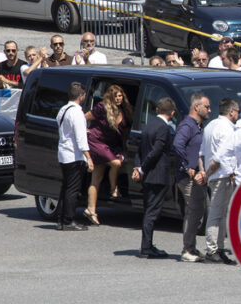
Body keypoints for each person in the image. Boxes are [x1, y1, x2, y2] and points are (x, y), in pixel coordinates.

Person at [132, 97, 176, 259]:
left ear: (157, 110)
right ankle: (146, 247)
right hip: (157, 174)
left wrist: (138, 166)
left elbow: (139, 148)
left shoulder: (149, 124)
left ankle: (148, 244)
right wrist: (142, 169)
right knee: (152, 211)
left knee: (148, 209)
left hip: (148, 175)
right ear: (172, 113)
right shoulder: (164, 128)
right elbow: (157, 150)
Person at [83, 84, 132, 222]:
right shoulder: (102, 107)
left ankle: (90, 210)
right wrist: (84, 130)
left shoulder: (124, 111)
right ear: (110, 97)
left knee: (96, 178)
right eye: (116, 96)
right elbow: (84, 117)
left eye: (120, 95)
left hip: (111, 145)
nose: (119, 98)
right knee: (116, 163)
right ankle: (113, 189)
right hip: (97, 142)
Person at [201, 98, 238, 263]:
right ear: (231, 111)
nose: (238, 115)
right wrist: (208, 173)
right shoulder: (227, 129)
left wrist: (204, 172)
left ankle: (219, 248)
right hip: (221, 175)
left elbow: (201, 153)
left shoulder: (210, 126)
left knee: (221, 214)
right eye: (237, 112)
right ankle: (212, 250)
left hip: (216, 175)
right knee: (216, 214)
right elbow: (220, 157)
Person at [173, 93, 210, 262]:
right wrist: (187, 165)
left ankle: (192, 247)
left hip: (197, 177)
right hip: (187, 177)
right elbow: (177, 144)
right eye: (207, 107)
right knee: (193, 212)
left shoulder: (197, 126)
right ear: (197, 107)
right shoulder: (187, 125)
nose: (209, 110)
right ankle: (187, 250)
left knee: (197, 212)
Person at [55, 82, 93, 232]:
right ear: (81, 96)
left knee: (65, 187)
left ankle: (61, 219)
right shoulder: (76, 112)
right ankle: (68, 220)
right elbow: (80, 140)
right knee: (72, 189)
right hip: (73, 155)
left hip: (63, 153)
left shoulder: (63, 109)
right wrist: (89, 158)